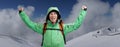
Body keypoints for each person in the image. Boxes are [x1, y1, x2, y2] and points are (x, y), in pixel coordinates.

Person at [18, 5, 87, 47]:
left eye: (55, 14)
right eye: (51, 14)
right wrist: (22, 13)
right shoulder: (43, 27)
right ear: (48, 16)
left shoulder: (62, 27)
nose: (53, 15)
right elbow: (30, 24)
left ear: (58, 16)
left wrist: (83, 11)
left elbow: (76, 25)